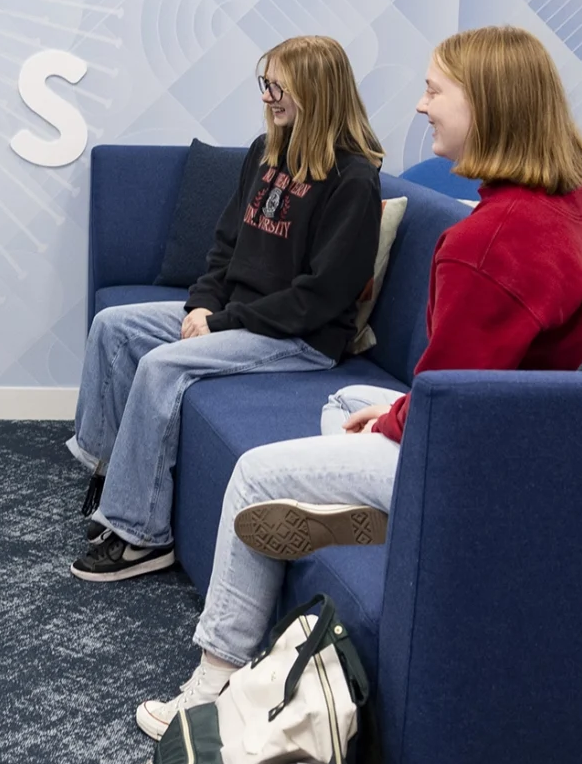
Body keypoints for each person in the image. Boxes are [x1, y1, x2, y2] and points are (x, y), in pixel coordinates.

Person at [129, 25, 582, 738]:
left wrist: (398, 422)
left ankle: (214, 679)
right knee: (346, 401)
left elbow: (448, 404)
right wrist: (394, 414)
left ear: (487, 105)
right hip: (550, 442)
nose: (422, 104)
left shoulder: (482, 242)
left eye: (436, 89)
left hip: (486, 467)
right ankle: (367, 508)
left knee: (254, 476)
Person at [70, 35, 387, 581]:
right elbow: (224, 248)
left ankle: (143, 537)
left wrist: (220, 322)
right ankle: (111, 474)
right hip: (237, 315)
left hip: (299, 338)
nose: (267, 97)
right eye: (265, 84)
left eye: (278, 86)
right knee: (113, 328)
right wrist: (201, 304)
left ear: (316, 91)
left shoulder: (353, 180)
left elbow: (319, 298)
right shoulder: (266, 154)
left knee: (162, 365)